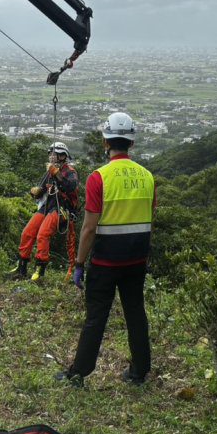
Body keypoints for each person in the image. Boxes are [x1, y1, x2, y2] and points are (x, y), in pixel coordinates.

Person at [56, 112, 156, 386]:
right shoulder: (147, 177)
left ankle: (79, 372)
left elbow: (89, 228)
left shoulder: (99, 178)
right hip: (136, 261)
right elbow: (150, 221)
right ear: (131, 144)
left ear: (105, 142)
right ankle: (140, 371)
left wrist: (78, 263)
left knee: (96, 316)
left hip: (105, 263)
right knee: (136, 313)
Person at [11, 141, 79, 281]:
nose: (52, 157)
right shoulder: (49, 171)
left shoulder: (69, 172)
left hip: (61, 208)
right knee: (28, 232)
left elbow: (70, 187)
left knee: (43, 234)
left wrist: (57, 174)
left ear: (62, 156)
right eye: (51, 154)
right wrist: (35, 192)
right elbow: (41, 189)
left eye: (55, 154)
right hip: (47, 205)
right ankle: (21, 266)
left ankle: (40, 270)